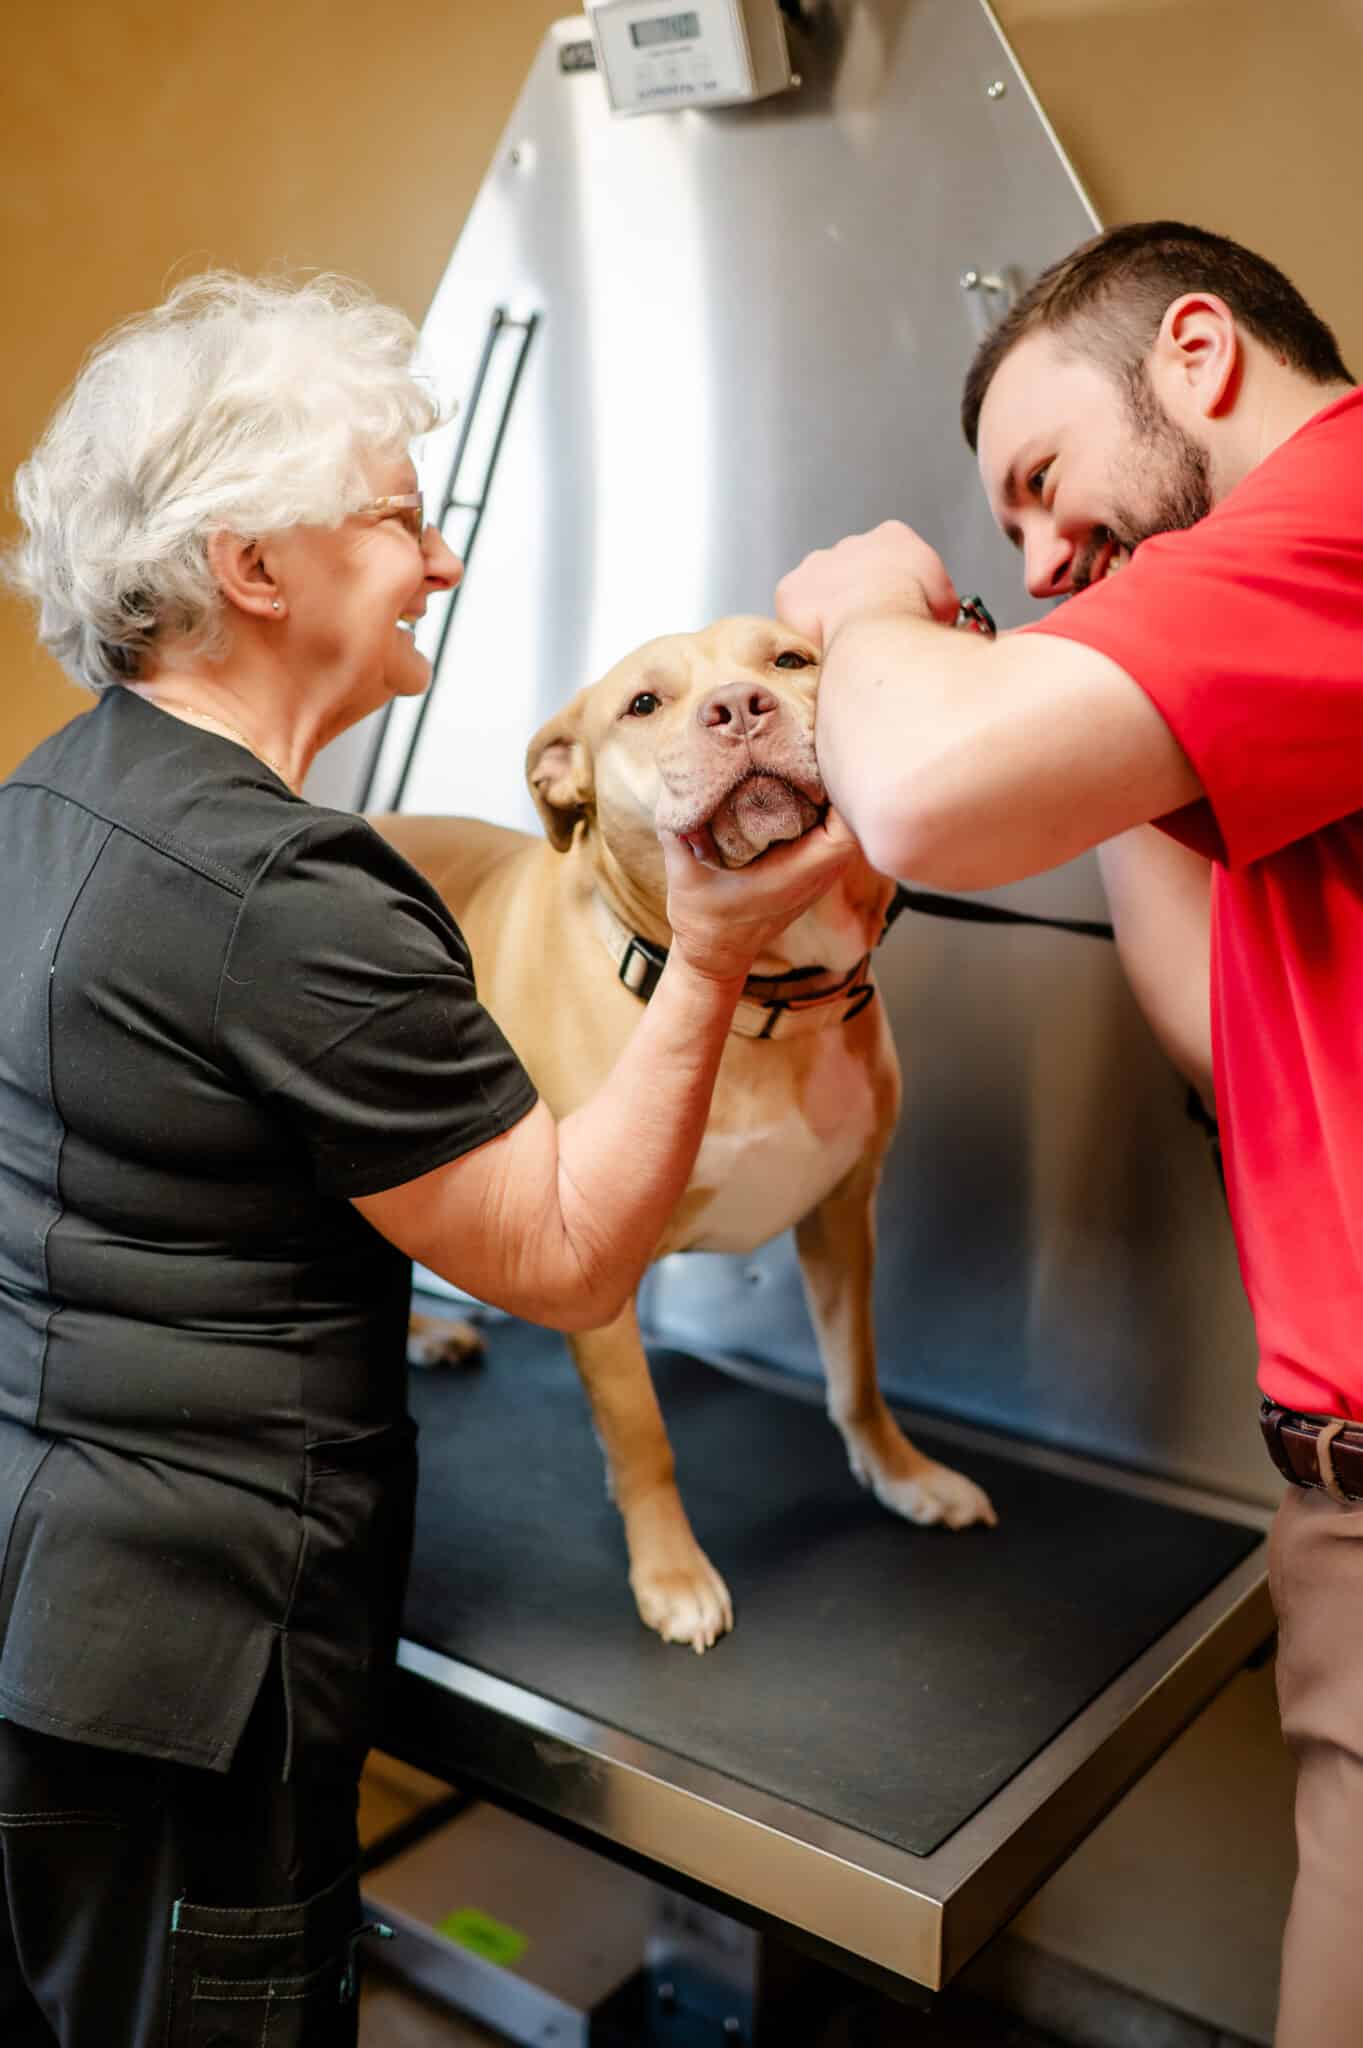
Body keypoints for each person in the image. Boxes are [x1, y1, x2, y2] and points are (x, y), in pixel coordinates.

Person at [0, 271, 853, 2048]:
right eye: (397, 516)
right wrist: (708, 952)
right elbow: (565, 1261)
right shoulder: (296, 898)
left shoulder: (47, 799)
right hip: (197, 1671)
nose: (441, 557)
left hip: (42, 1610)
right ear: (254, 565)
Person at [775, 219, 1360, 2047]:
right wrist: (1092, 691)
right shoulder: (1298, 647)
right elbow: (1221, 1029)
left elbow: (927, 795)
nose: (1035, 554)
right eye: (1007, 530)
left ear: (1199, 355)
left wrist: (870, 611)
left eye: (1043, 480)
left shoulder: (1336, 514)